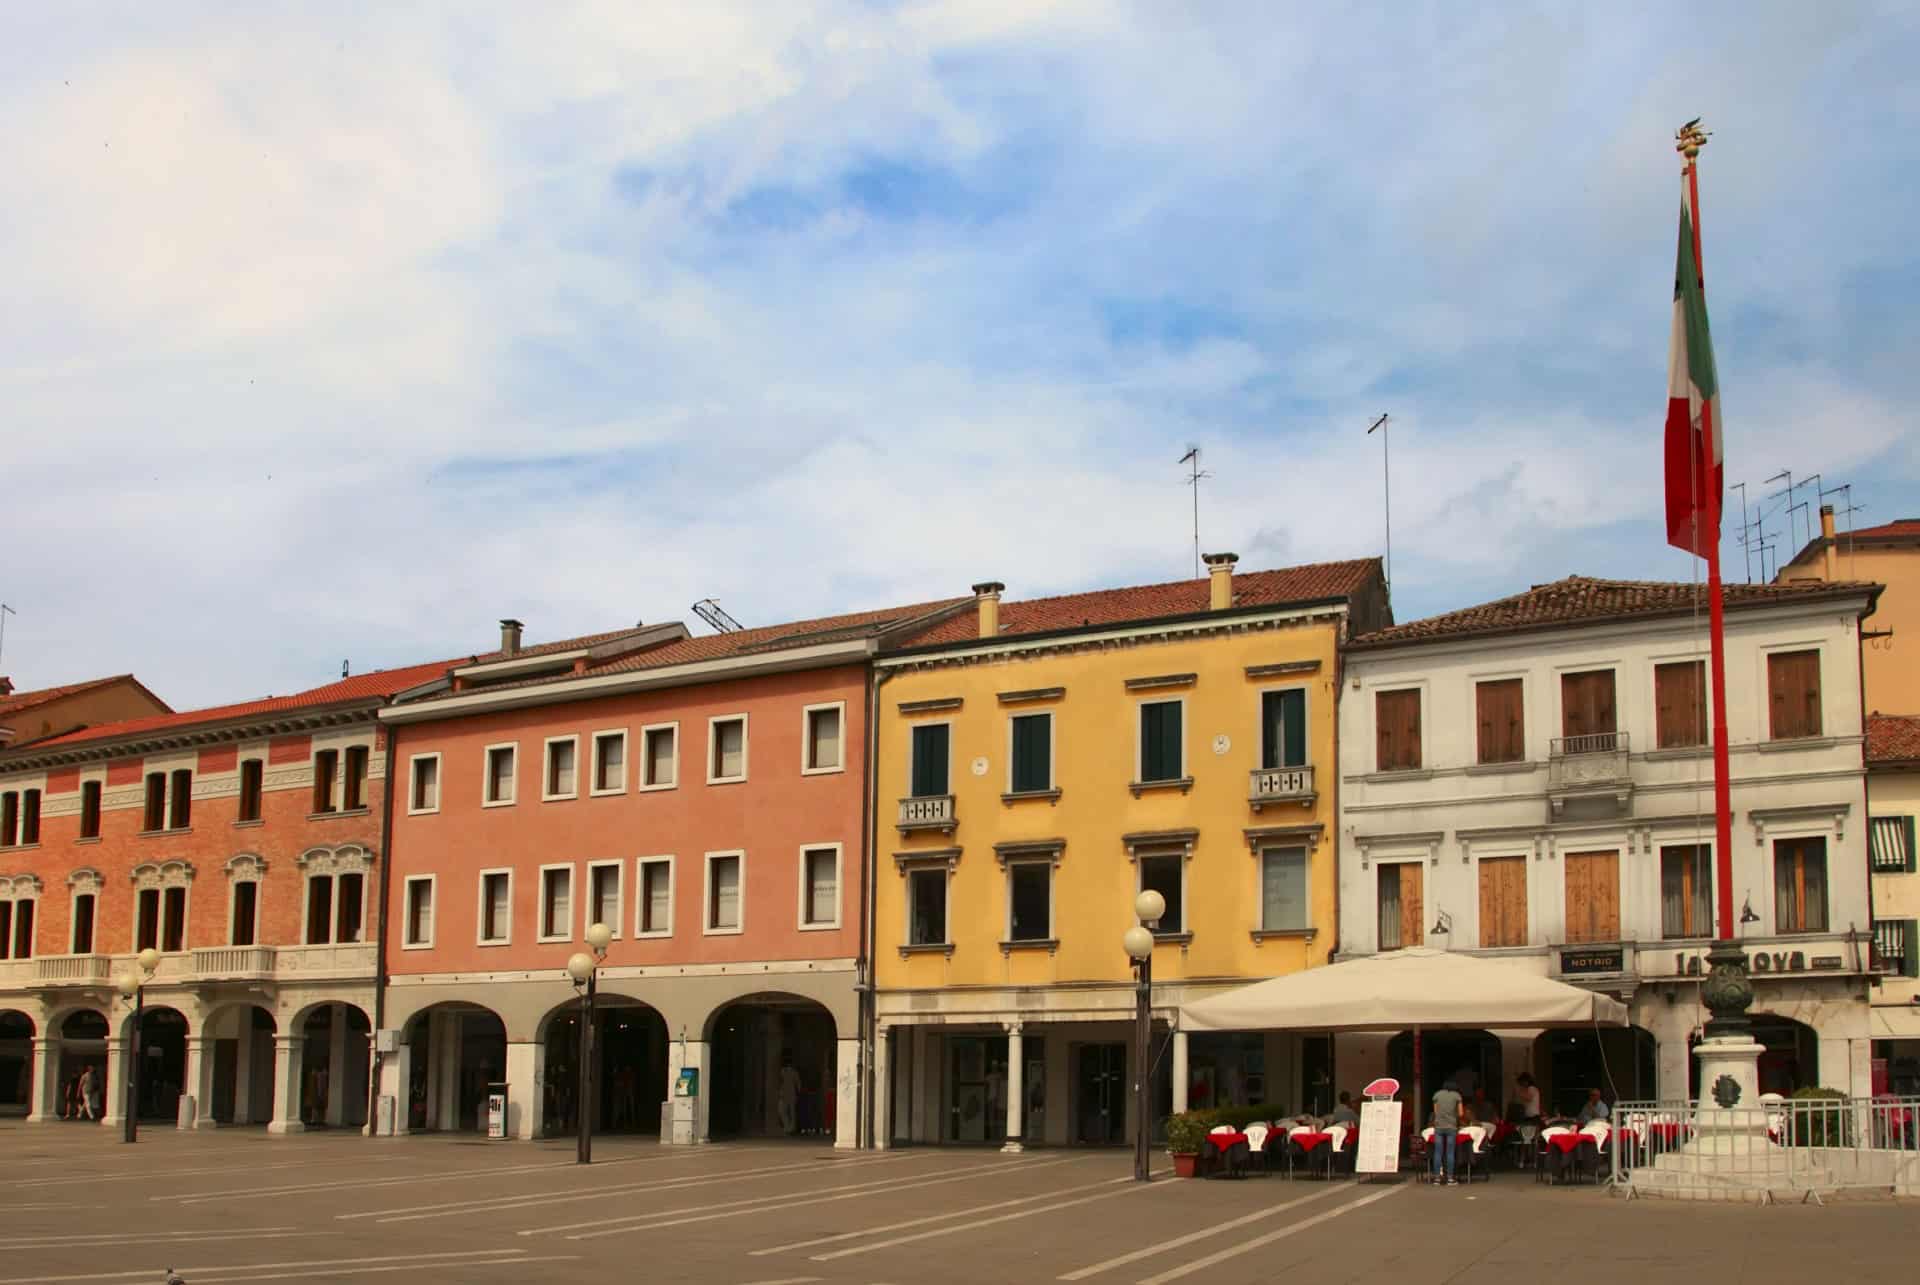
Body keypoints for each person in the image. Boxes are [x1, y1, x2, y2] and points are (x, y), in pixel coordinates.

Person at [1429, 1078, 1463, 1186]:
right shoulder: (1457, 1096)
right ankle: (1450, 1179)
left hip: (1438, 1127)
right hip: (1451, 1127)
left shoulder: (1437, 1095)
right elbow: (1461, 1113)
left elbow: (1435, 1111)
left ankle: (1437, 1179)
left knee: (1438, 1152)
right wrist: (1453, 1116)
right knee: (1450, 1153)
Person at [777, 1056, 800, 1135]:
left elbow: (780, 1082)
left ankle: (789, 1128)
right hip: (790, 1094)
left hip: (786, 1094)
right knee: (789, 1112)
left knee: (785, 1111)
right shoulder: (792, 1072)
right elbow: (798, 1084)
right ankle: (789, 1128)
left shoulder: (783, 1071)